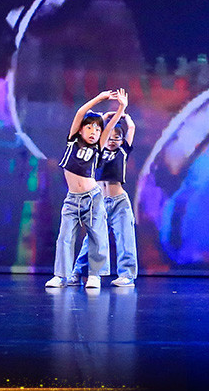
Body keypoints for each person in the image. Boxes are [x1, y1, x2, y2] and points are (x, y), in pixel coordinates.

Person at [45, 90, 128, 289]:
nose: (93, 132)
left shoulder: (98, 147)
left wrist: (122, 108)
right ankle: (60, 276)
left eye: (97, 129)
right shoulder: (73, 140)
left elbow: (110, 126)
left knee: (97, 236)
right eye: (89, 128)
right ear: (81, 130)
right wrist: (100, 98)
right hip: (72, 199)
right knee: (65, 237)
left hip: (93, 198)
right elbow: (81, 113)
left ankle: (94, 275)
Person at [72, 111, 139, 287]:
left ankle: (127, 275)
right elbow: (98, 132)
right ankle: (78, 272)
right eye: (109, 137)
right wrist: (104, 118)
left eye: (117, 138)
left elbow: (131, 128)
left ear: (122, 140)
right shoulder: (97, 151)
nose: (112, 141)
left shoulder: (123, 151)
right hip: (99, 202)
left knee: (125, 237)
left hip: (119, 202)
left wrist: (125, 116)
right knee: (92, 239)